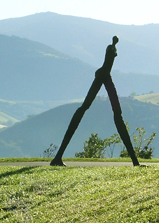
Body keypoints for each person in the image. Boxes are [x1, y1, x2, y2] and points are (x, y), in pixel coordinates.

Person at [50, 36, 140, 167]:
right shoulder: (110, 48)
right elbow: (110, 58)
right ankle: (58, 157)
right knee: (88, 108)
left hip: (105, 76)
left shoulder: (112, 48)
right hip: (103, 75)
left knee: (108, 112)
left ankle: (135, 162)